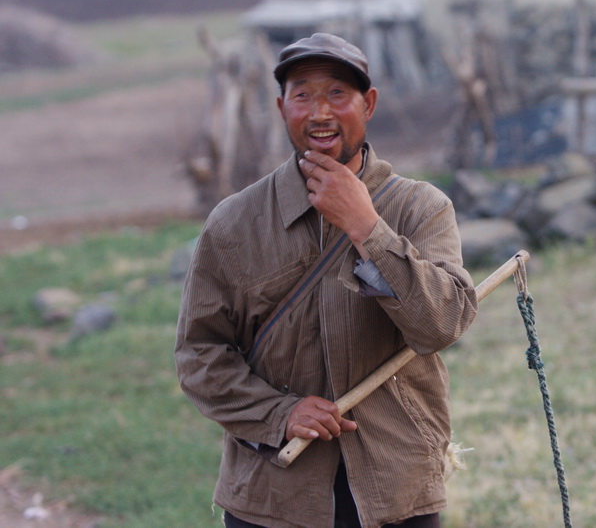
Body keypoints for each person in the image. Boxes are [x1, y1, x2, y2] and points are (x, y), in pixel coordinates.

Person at [175, 32, 478, 528]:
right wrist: (278, 415)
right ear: (281, 107)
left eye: (338, 93)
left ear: (370, 103)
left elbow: (441, 326)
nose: (319, 113)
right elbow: (199, 355)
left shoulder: (421, 208)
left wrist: (367, 228)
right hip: (272, 495)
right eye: (303, 95)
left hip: (397, 493)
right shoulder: (233, 223)